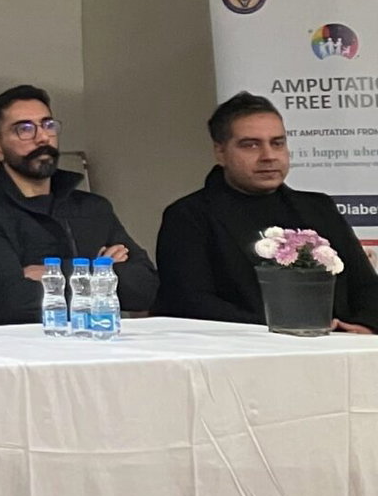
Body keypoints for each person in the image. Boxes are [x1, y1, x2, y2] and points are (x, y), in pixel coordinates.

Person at [155, 92, 378, 333]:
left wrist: (363, 326)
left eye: (277, 143)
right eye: (251, 145)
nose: (269, 156)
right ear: (220, 152)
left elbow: (366, 286)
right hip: (245, 346)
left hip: (337, 344)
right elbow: (190, 303)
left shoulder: (318, 207)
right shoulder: (190, 216)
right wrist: (285, 329)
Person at [0, 85, 157, 323]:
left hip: (98, 338)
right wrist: (105, 270)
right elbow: (13, 302)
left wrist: (52, 273)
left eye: (48, 125)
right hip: (22, 343)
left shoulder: (93, 207)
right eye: (24, 129)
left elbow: (145, 288)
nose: (42, 137)